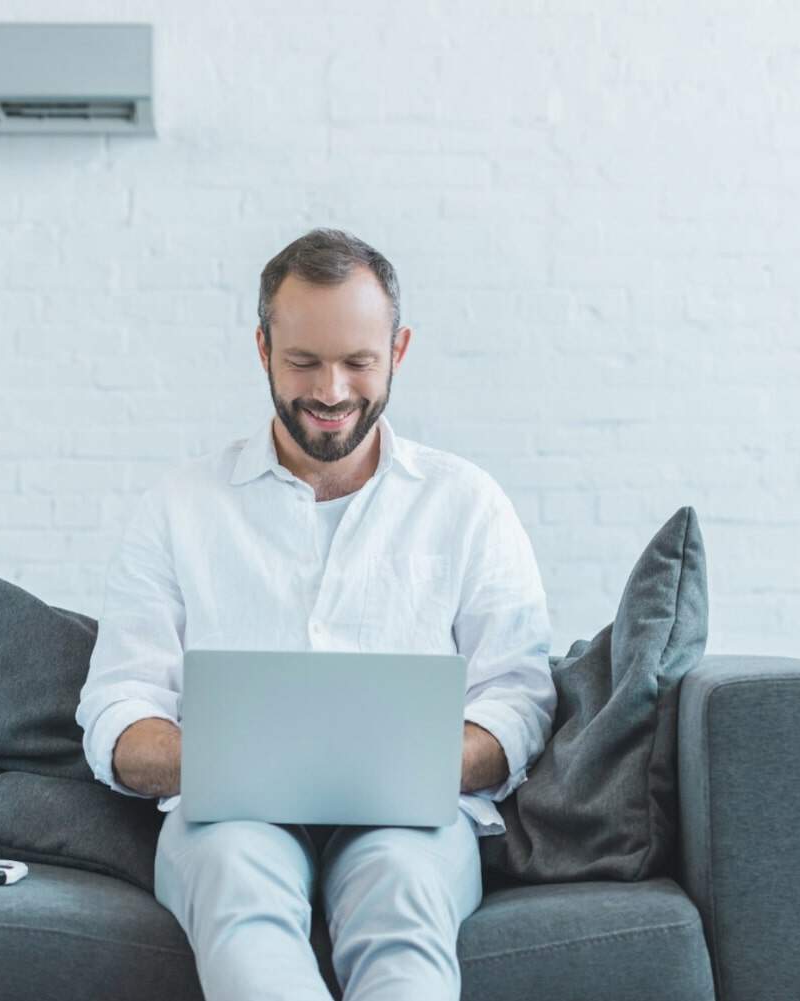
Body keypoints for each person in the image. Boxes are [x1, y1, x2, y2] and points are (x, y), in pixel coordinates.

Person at [76, 227, 555, 1001]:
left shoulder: (466, 503)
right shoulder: (178, 507)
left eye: (357, 362)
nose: (331, 391)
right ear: (263, 349)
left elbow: (520, 697)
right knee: (238, 886)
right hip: (228, 820)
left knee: (402, 894)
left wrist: (410, 766)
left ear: (398, 352)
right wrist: (233, 764)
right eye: (303, 361)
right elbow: (117, 707)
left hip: (413, 821)